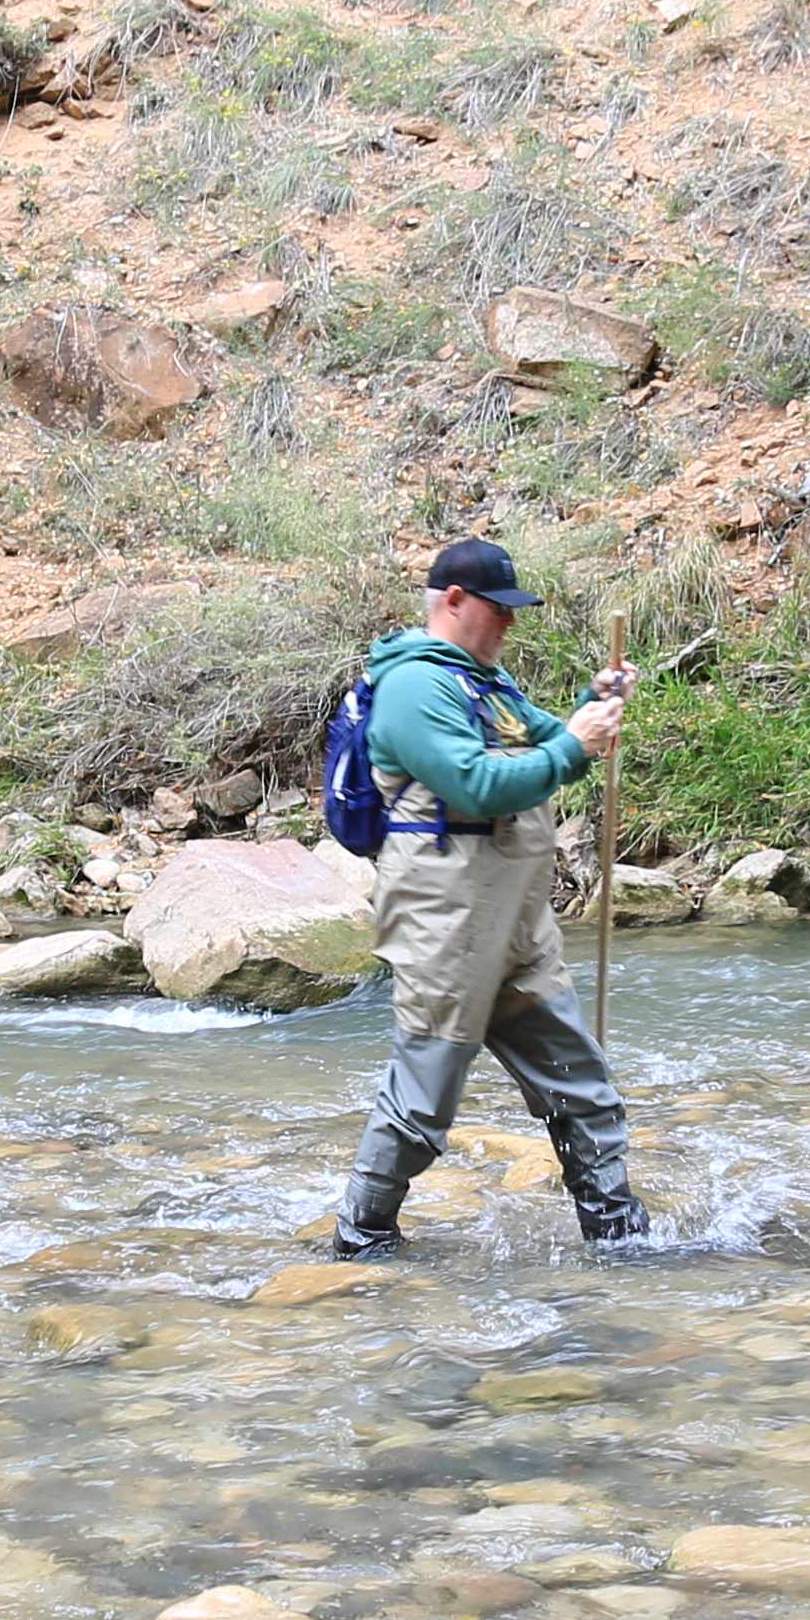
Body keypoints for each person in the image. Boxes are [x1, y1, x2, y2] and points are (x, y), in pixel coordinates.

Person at [331, 538, 641, 1258]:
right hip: (446, 912)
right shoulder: (416, 687)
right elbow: (476, 784)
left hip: (513, 913)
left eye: (513, 611)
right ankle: (362, 1238)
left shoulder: (486, 683)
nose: (508, 624)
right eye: (497, 610)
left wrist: (596, 707)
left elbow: (549, 742)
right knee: (425, 1094)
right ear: (454, 601)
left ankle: (620, 1233)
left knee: (579, 1075)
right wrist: (577, 747)